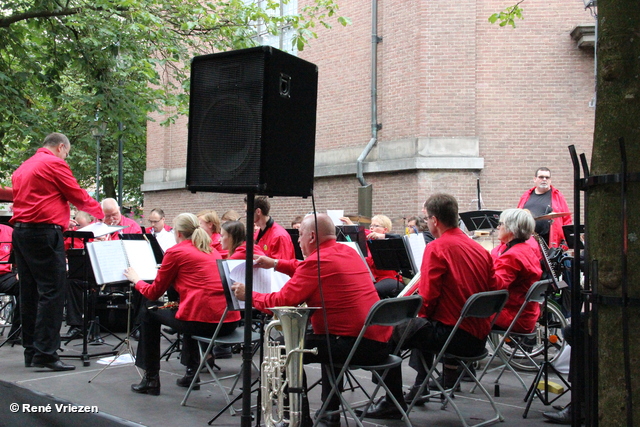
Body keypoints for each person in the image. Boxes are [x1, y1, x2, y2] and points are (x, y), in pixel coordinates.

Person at [232, 214, 391, 427]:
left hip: (355, 345)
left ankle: (297, 420)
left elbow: (281, 302)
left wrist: (249, 295)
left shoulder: (317, 262)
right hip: (380, 342)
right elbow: (306, 267)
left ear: (313, 236)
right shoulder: (348, 252)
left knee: (282, 348)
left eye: (300, 235)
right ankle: (329, 414)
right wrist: (276, 263)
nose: (298, 240)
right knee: (322, 338)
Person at [360, 193, 496, 420]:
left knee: (387, 330)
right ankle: (420, 385)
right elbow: (493, 287)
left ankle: (392, 401)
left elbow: (428, 298)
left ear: (434, 221)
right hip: (479, 336)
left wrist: (409, 318)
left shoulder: (437, 247)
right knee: (416, 326)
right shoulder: (480, 249)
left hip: (454, 336)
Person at [11, 132, 104, 371]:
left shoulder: (24, 167)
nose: (66, 158)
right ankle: (46, 354)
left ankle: (31, 350)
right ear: (62, 147)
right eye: (67, 154)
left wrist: (60, 218)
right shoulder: (54, 163)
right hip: (43, 234)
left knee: (29, 292)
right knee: (53, 292)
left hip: (21, 233)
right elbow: (77, 195)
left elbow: (36, 200)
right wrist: (102, 216)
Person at [124, 213, 240, 396]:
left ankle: (151, 379)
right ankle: (191, 374)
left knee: (149, 310)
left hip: (205, 324)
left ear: (177, 233)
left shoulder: (176, 252)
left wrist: (136, 280)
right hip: (229, 322)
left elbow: (154, 292)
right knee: (185, 309)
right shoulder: (211, 249)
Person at [492, 209, 542, 333]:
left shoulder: (513, 255)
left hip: (513, 317)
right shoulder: (527, 250)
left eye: (501, 224)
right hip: (527, 315)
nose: (498, 227)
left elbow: (495, 285)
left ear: (511, 228)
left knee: (460, 312)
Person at [341, 214, 403, 299]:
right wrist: (351, 225)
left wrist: (382, 236)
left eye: (376, 226)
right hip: (373, 280)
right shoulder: (368, 241)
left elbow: (399, 238)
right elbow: (362, 233)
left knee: (369, 293)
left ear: (385, 230)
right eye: (371, 225)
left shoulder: (388, 241)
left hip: (388, 279)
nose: (371, 228)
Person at [517, 167, 571, 248]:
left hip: (549, 242)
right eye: (541, 177)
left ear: (550, 180)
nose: (544, 179)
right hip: (527, 241)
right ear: (535, 179)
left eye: (547, 177)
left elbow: (567, 220)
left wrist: (565, 243)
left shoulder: (557, 196)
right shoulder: (526, 195)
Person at [0, 223, 21, 343]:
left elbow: (19, 254)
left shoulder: (9, 231)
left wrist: (20, 271)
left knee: (25, 287)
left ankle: (16, 333)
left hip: (4, 275)